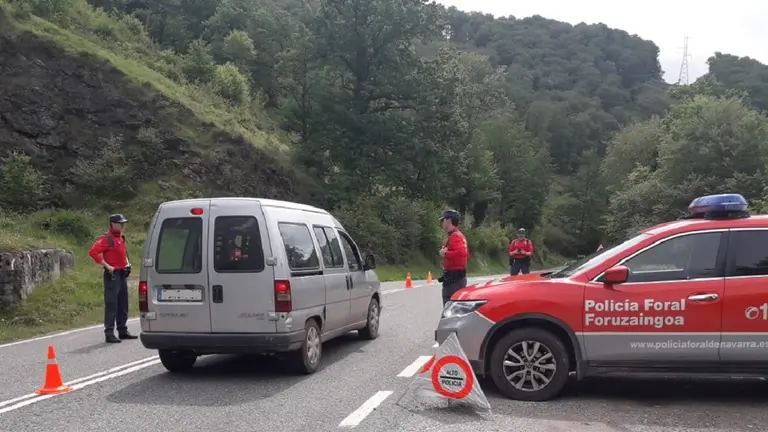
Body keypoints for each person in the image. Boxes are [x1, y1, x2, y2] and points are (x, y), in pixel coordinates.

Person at [88, 214, 137, 343]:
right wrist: (107, 265)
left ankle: (122, 330)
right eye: (120, 223)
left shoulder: (121, 237)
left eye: (123, 223)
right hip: (112, 275)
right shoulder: (106, 239)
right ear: (112, 224)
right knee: (112, 304)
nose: (122, 226)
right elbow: (93, 252)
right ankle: (109, 333)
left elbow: (123, 253)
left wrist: (127, 264)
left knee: (123, 303)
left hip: (122, 273)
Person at [438, 209, 469, 306]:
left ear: (448, 220)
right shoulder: (459, 235)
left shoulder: (455, 236)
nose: (442, 223)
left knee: (449, 308)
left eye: (443, 220)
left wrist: (445, 254)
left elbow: (462, 253)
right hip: (457, 277)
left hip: (454, 279)